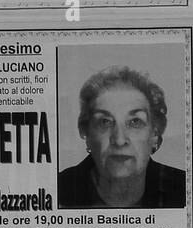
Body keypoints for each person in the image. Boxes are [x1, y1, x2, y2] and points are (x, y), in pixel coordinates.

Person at [58, 65, 185, 210]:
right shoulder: (57, 189)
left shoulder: (186, 189)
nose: (119, 140)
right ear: (86, 133)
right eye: (105, 122)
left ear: (154, 135)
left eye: (135, 122)